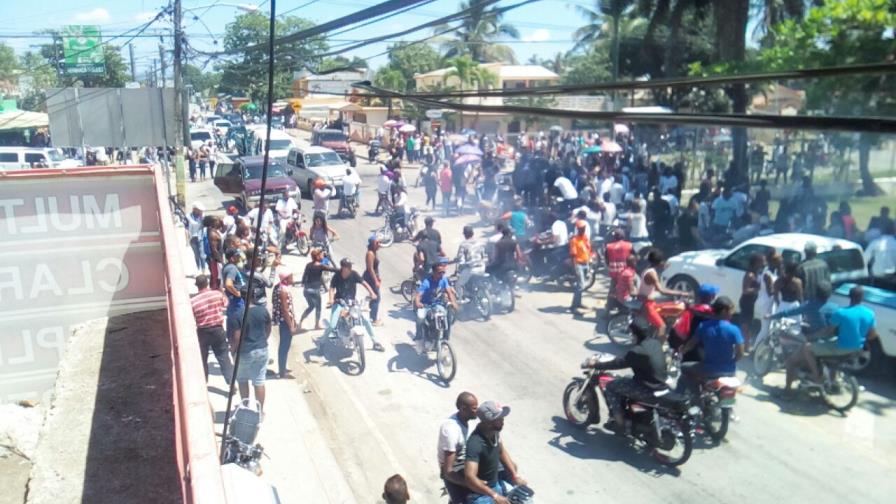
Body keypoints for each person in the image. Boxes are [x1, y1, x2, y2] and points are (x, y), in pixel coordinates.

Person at [779, 286, 877, 398]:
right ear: (862, 298)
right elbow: (872, 334)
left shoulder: (842, 313)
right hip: (857, 348)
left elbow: (827, 332)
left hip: (840, 348)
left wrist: (811, 336)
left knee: (806, 348)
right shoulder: (870, 314)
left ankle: (816, 377)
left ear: (849, 297)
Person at [584, 320, 669, 435]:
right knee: (625, 379)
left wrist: (596, 364)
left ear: (634, 335)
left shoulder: (637, 351)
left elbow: (618, 363)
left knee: (611, 386)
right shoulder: (655, 342)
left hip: (648, 389)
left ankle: (620, 423)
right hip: (661, 384)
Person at [679, 296, 745, 397]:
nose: (732, 312)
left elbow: (691, 344)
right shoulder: (734, 329)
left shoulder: (703, 326)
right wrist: (731, 361)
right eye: (731, 309)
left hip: (708, 369)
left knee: (684, 368)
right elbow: (740, 353)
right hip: (729, 370)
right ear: (723, 311)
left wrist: (682, 350)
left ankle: (694, 398)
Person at [463, 401, 526, 504]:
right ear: (488, 422)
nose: (503, 420)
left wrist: (515, 476)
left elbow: (501, 451)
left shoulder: (494, 432)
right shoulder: (475, 443)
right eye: (499, 419)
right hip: (481, 493)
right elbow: (470, 477)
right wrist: (494, 495)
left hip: (496, 483)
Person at [321, 258, 384, 352]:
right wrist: (330, 300)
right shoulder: (337, 275)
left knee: (366, 320)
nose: (350, 268)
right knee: (332, 325)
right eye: (348, 266)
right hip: (339, 302)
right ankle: (322, 343)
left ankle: (375, 342)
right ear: (343, 267)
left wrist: (372, 293)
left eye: (350, 266)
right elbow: (331, 288)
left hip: (352, 303)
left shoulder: (353, 274)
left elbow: (364, 283)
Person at [233, 284, 271, 409]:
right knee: (259, 381)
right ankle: (260, 411)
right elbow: (268, 328)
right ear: (253, 295)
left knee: (242, 379)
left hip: (245, 352)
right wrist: (263, 340)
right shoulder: (263, 310)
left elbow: (237, 338)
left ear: (241, 297)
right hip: (262, 349)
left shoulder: (238, 314)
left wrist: (233, 351)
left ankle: (246, 407)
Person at [190, 274, 235, 383]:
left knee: (203, 359)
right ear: (207, 283)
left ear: (197, 286)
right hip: (218, 330)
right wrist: (222, 292)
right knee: (224, 357)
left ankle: (204, 382)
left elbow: (191, 317)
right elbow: (226, 304)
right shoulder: (217, 295)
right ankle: (231, 383)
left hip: (203, 332)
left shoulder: (193, 301)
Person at [638, 249, 690, 340]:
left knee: (671, 310)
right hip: (647, 304)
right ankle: (658, 349)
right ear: (660, 262)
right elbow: (661, 290)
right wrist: (681, 293)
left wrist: (663, 266)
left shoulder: (648, 269)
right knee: (662, 326)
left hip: (650, 301)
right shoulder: (651, 274)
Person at [438, 392, 479, 504]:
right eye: (474, 408)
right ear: (463, 409)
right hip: (454, 470)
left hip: (465, 463)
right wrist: (470, 484)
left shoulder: (468, 421)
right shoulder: (452, 430)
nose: (477, 410)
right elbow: (448, 471)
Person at [413, 261, 459, 352]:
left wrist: (454, 303)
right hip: (426, 305)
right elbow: (418, 295)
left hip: (438, 305)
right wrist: (418, 302)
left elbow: (449, 292)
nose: (441, 274)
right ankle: (418, 339)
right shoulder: (427, 282)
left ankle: (445, 339)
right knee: (420, 319)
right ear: (433, 272)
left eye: (443, 272)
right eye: (439, 272)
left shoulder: (444, 280)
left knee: (447, 317)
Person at [298, 249, 335, 331]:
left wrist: (303, 283)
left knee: (311, 306)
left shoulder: (308, 265)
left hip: (306, 291)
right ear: (317, 256)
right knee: (318, 308)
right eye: (321, 255)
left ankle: (300, 322)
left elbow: (306, 276)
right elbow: (332, 269)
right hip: (315, 291)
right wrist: (342, 269)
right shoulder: (320, 266)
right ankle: (317, 324)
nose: (323, 256)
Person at [753, 251, 781, 347]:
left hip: (769, 303)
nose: (780, 264)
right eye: (779, 262)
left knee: (769, 328)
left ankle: (763, 349)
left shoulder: (773, 271)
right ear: (773, 262)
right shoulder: (767, 274)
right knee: (765, 329)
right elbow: (771, 292)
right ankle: (756, 349)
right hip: (765, 303)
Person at [272, 270, 297, 379]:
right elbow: (285, 309)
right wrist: (291, 325)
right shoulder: (283, 290)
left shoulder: (279, 287)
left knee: (285, 346)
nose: (293, 279)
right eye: (291, 276)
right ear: (286, 278)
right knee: (284, 346)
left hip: (285, 321)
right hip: (285, 322)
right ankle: (282, 372)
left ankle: (283, 367)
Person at [739, 253, 765, 348]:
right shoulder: (749, 275)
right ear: (756, 262)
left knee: (749, 324)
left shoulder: (756, 273)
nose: (763, 263)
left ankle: (746, 344)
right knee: (745, 325)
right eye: (762, 261)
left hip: (751, 302)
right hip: (746, 302)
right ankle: (745, 345)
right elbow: (745, 290)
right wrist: (758, 289)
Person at [222, 248, 247, 345]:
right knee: (238, 323)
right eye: (237, 256)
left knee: (232, 319)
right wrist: (237, 293)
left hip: (232, 300)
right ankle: (236, 343)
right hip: (236, 300)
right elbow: (228, 284)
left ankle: (231, 339)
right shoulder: (232, 268)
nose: (239, 257)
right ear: (232, 258)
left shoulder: (228, 266)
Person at [455, 225, 487, 297]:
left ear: (465, 234)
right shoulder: (480, 243)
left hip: (471, 269)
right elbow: (484, 256)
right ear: (473, 233)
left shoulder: (463, 244)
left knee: (458, 284)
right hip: (482, 268)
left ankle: (460, 300)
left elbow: (460, 258)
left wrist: (459, 262)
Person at [569, 220, 592, 315]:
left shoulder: (585, 238)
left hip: (585, 263)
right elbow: (573, 255)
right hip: (578, 264)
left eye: (584, 228)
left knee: (582, 285)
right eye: (581, 229)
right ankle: (573, 306)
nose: (583, 230)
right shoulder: (574, 240)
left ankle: (578, 303)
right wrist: (575, 268)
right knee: (580, 285)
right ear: (578, 229)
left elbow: (588, 249)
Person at [364, 237, 384, 326]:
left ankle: (372, 317)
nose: (379, 244)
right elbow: (370, 269)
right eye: (377, 243)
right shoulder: (370, 254)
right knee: (376, 298)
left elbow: (376, 268)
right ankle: (373, 320)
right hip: (370, 277)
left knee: (374, 297)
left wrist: (378, 277)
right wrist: (376, 280)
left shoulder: (375, 252)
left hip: (373, 277)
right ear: (373, 244)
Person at [187, 202, 206, 273]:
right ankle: (198, 268)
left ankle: (203, 270)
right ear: (195, 209)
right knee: (196, 255)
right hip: (192, 238)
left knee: (202, 255)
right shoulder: (188, 216)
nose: (201, 211)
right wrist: (187, 240)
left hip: (200, 237)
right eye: (199, 210)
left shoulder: (202, 216)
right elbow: (186, 228)